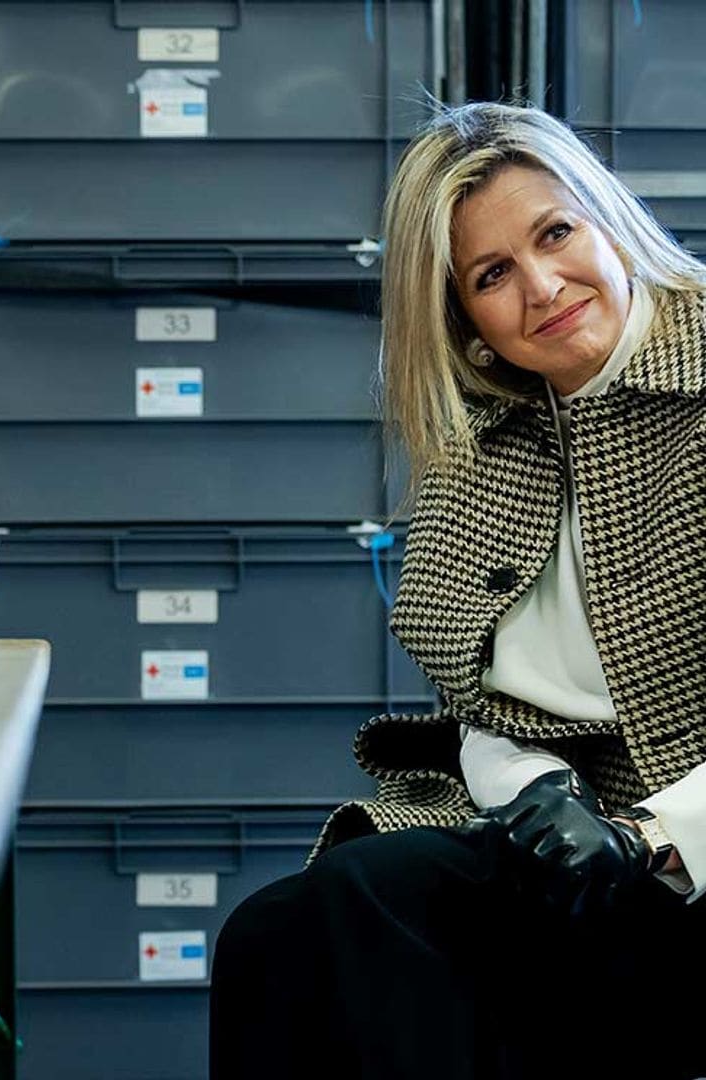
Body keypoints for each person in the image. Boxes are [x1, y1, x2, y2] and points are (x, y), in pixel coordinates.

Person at [209, 101, 706, 1080]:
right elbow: (484, 702)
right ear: (464, 318)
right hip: (567, 851)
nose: (543, 286)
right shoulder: (488, 443)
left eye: (555, 233)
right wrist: (542, 798)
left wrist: (652, 839)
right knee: (290, 936)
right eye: (492, 275)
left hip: (682, 857)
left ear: (606, 217)